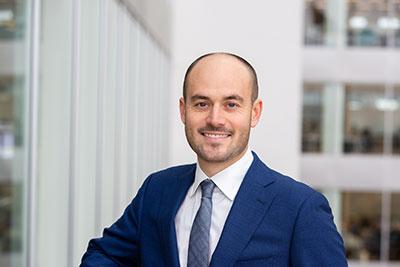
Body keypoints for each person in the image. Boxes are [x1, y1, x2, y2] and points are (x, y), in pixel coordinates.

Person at [81, 52, 347, 266]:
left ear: (254, 113)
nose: (215, 119)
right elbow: (104, 256)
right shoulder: (158, 189)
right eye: (201, 103)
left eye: (231, 104)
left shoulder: (300, 208)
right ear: (184, 111)